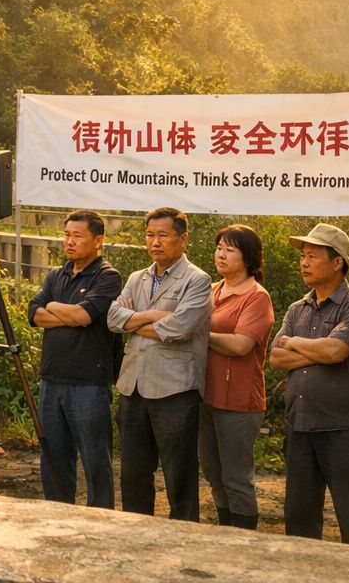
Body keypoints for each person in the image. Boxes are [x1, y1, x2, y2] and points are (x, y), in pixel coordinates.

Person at [270, 222, 349, 547]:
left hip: (344, 429)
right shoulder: (296, 308)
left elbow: (336, 351)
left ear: (337, 262)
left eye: (312, 256)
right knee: (299, 520)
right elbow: (276, 359)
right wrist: (321, 350)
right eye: (302, 255)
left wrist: (297, 343)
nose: (303, 262)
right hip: (300, 428)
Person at [106, 206, 212, 520]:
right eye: (150, 235)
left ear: (183, 239)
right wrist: (156, 318)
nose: (155, 242)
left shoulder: (197, 280)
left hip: (174, 390)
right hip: (133, 387)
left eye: (163, 235)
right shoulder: (138, 277)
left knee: (179, 474)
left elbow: (181, 328)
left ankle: (183, 536)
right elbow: (112, 318)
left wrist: (132, 320)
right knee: (134, 472)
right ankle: (138, 531)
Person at [26, 210, 123, 507]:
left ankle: (101, 519)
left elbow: (84, 316)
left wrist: (55, 307)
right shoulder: (57, 274)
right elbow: (34, 313)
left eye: (77, 236)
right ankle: (58, 514)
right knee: (53, 458)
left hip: (88, 385)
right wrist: (66, 313)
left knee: (95, 462)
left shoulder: (108, 277)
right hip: (51, 381)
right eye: (67, 234)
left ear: (98, 241)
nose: (69, 241)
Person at [199, 224, 274, 530]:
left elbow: (241, 345)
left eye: (231, 250)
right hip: (206, 395)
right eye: (219, 248)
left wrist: (197, 333)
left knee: (237, 477)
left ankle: (244, 539)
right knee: (214, 474)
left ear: (249, 258)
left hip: (240, 401)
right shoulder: (212, 290)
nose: (222, 254)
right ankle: (225, 533)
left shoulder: (257, 297)